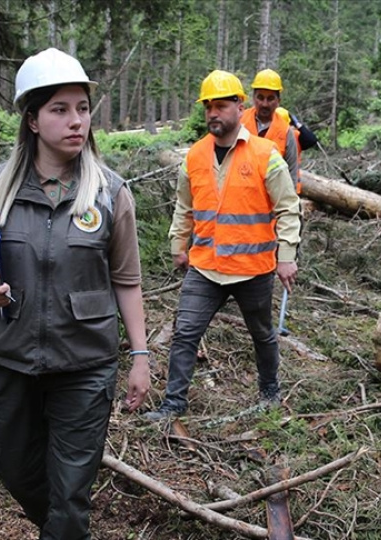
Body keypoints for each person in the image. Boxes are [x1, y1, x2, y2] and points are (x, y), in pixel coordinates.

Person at [0, 48, 150, 540]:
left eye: (82, 108)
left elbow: (126, 279)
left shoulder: (109, 192)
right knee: (14, 468)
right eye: (60, 110)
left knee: (70, 494)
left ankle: (65, 528)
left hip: (84, 363)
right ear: (33, 120)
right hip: (6, 359)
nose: (76, 121)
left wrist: (141, 356)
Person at [143, 70, 301, 421]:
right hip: (205, 267)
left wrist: (286, 256)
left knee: (262, 334)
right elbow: (184, 207)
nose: (213, 113)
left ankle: (269, 393)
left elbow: (289, 208)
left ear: (239, 106)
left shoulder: (265, 154)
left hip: (253, 269)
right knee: (185, 333)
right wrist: (177, 245)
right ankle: (173, 404)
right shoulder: (195, 156)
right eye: (208, 107)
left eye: (221, 106)